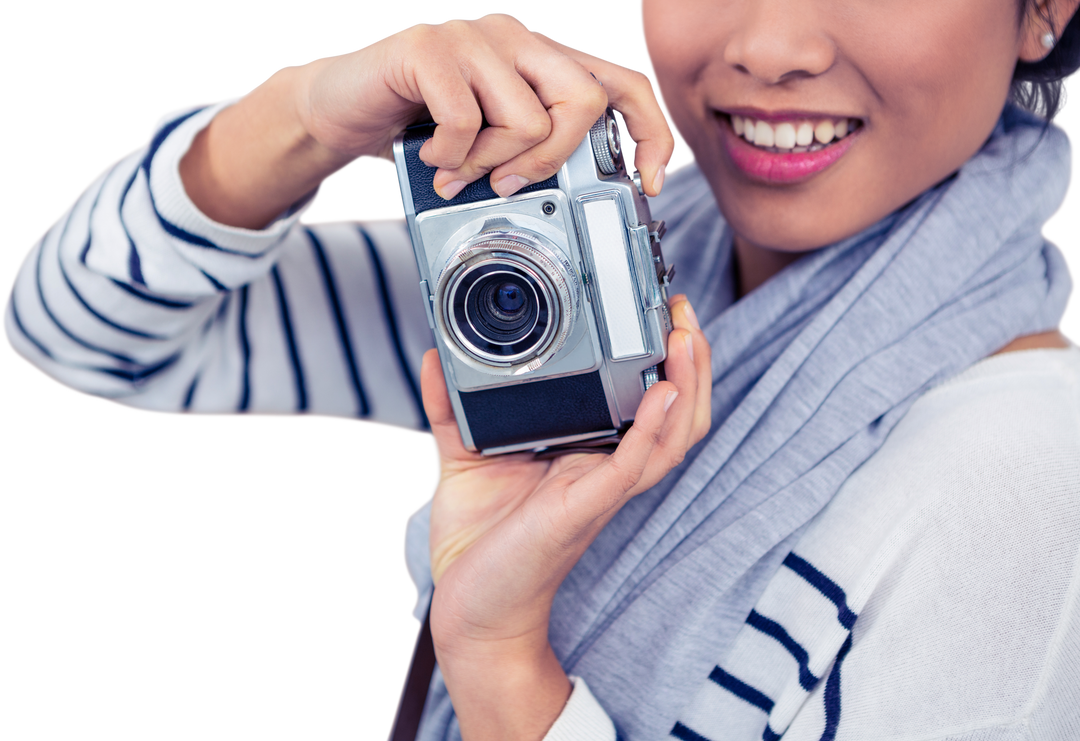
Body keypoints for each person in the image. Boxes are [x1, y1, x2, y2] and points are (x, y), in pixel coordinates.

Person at [3, 2, 1079, 739]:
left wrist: (504, 662)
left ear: (1043, 6)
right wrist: (314, 111)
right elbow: (82, 329)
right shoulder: (592, 271)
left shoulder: (1020, 474)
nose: (772, 43)